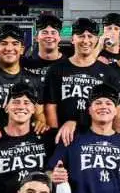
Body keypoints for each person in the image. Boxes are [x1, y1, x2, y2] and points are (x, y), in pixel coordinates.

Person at [43, 17, 110, 146]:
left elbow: (115, 110)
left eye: (90, 36)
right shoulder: (56, 70)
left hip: (98, 139)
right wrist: (55, 136)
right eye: (80, 36)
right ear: (73, 39)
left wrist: (113, 139)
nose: (86, 40)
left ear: (97, 39)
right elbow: (51, 106)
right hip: (64, 137)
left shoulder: (108, 72)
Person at [22, 13, 65, 81]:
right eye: (44, 32)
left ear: (59, 37)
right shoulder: (25, 64)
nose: (49, 36)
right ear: (36, 37)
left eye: (53, 33)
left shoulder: (68, 65)